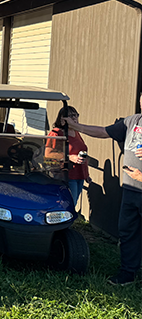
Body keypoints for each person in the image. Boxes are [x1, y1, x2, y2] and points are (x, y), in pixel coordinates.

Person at [65, 93, 142, 286]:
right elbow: (103, 131)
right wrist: (77, 127)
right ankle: (128, 273)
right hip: (131, 190)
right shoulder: (132, 121)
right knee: (128, 232)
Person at [45, 105, 89, 208]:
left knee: (74, 203)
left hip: (79, 174)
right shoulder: (57, 133)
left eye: (76, 115)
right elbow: (48, 154)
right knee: (69, 203)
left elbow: (81, 152)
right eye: (71, 116)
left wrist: (86, 174)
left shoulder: (75, 132)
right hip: (67, 174)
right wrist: (69, 157)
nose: (75, 118)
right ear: (62, 119)